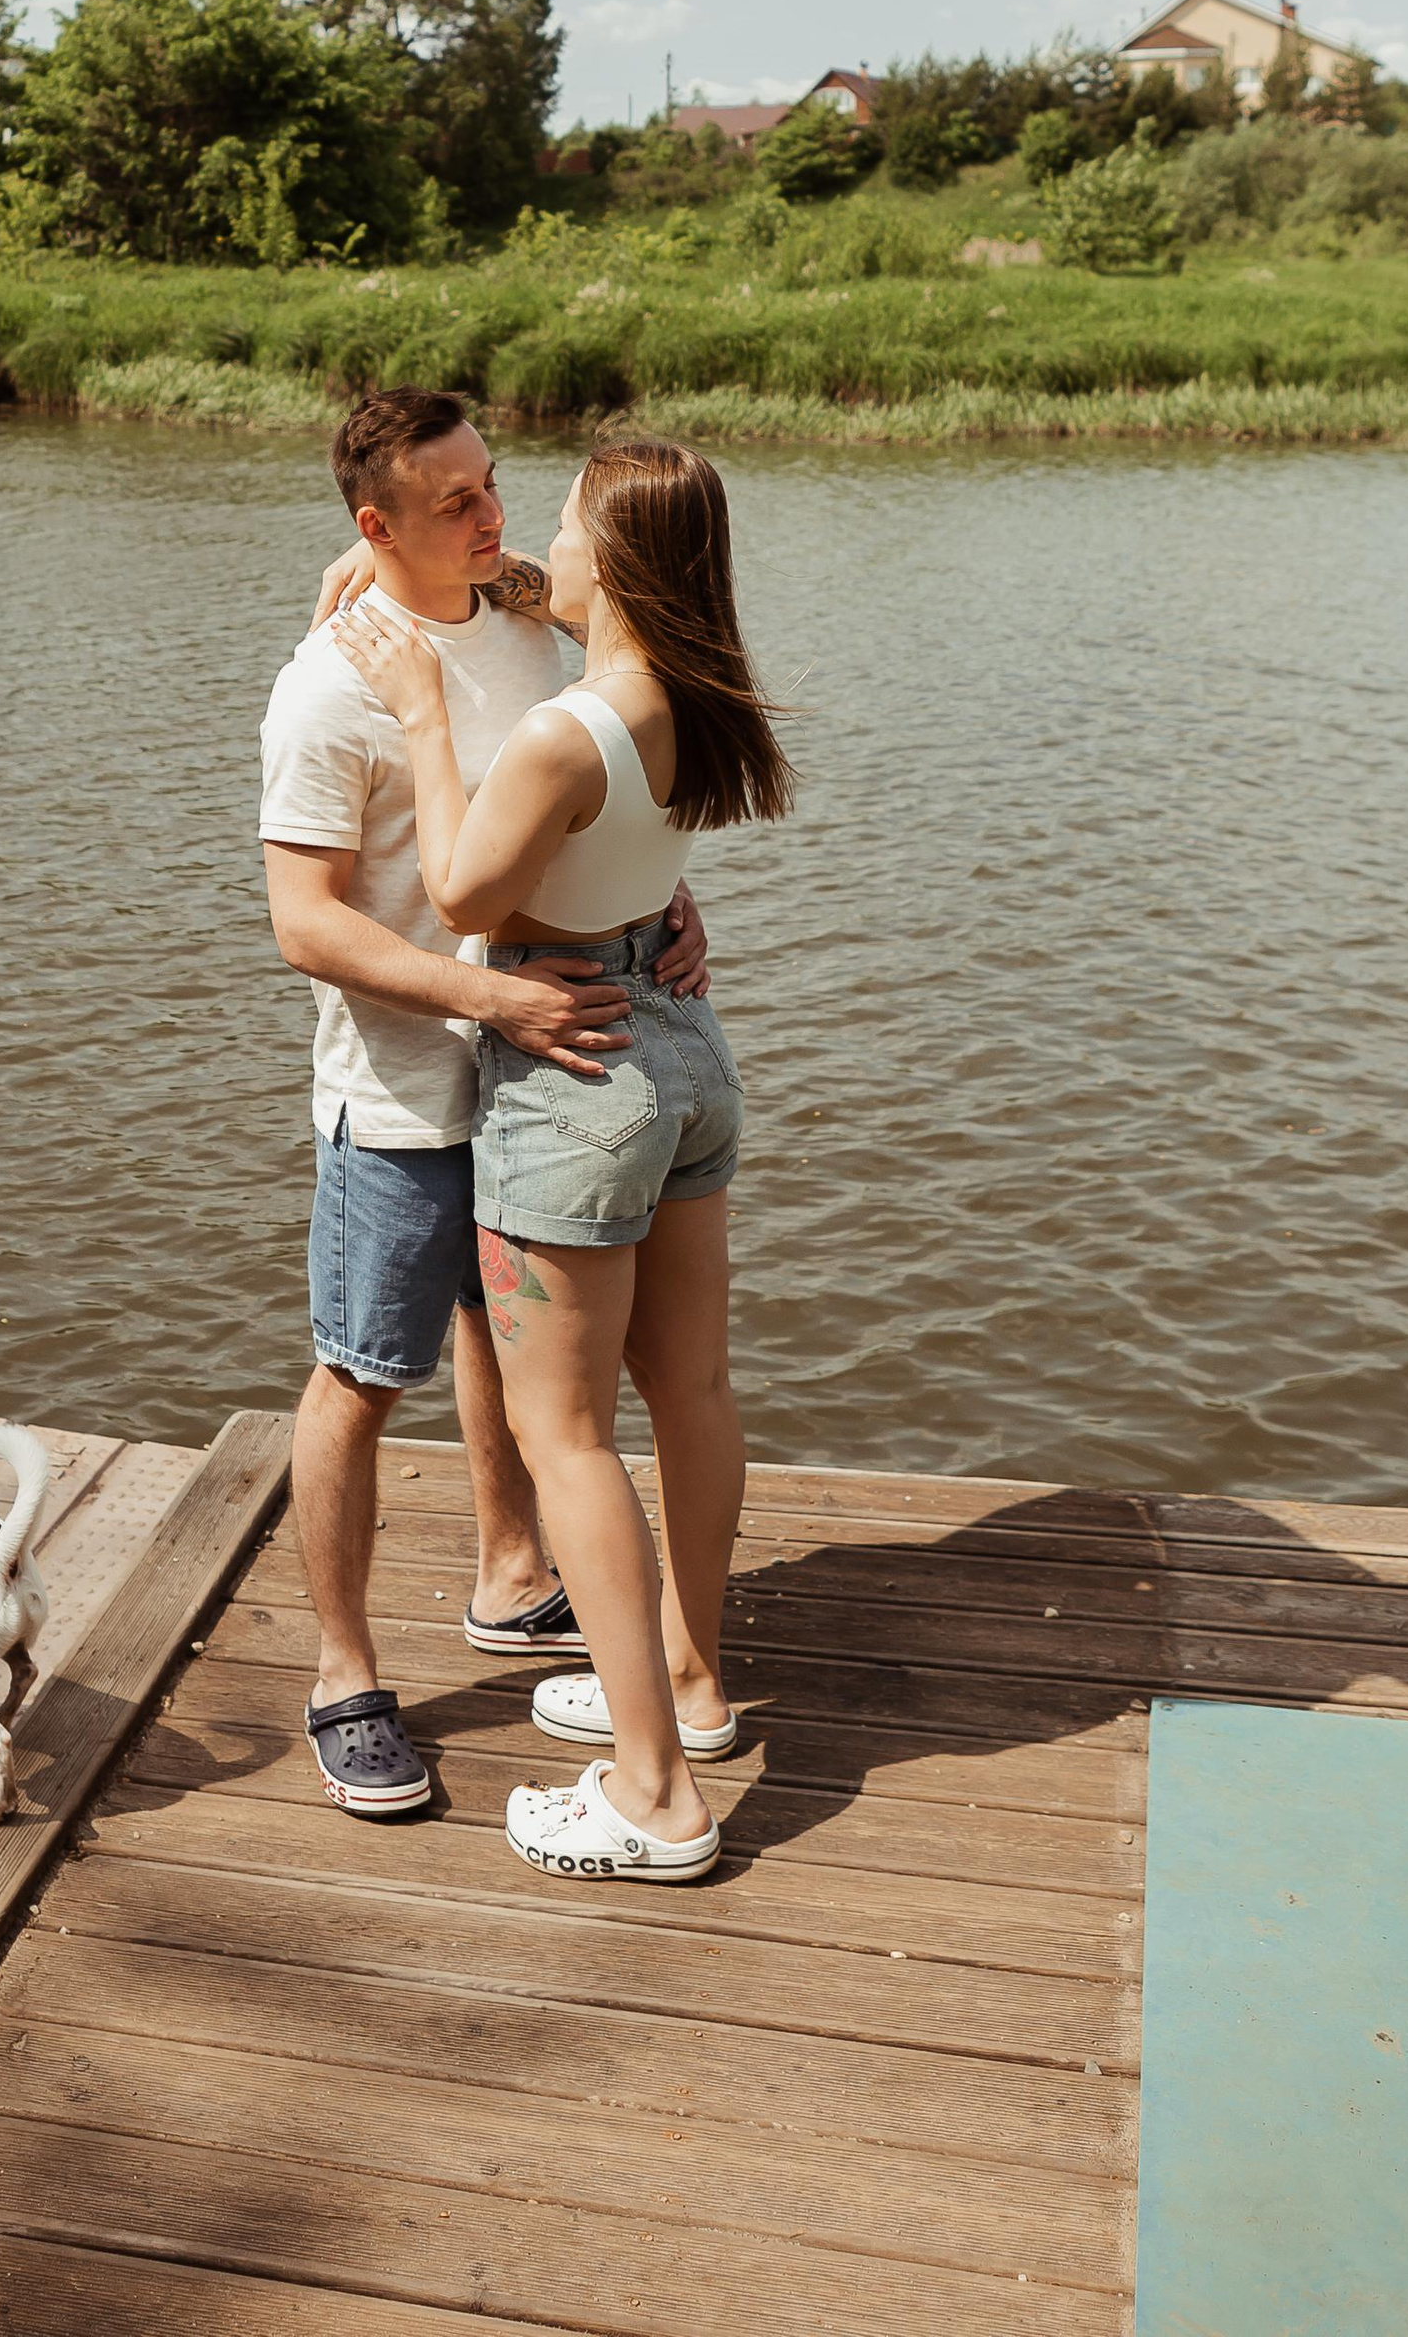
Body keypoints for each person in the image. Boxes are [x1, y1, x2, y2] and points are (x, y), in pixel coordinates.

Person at [335, 433, 792, 1884]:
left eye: (569, 525)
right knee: (695, 1391)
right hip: (683, 1050)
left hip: (573, 1070)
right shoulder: (702, 696)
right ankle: (694, 1691)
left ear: (622, 562)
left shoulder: (561, 734)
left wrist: (418, 705)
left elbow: (466, 891)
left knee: (569, 1435)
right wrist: (439, 574)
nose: (538, 538)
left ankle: (650, 1797)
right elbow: (554, 601)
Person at [260, 389, 714, 1821]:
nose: (494, 519)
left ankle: (512, 1575)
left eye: (494, 485)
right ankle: (343, 1675)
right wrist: (492, 998)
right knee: (359, 1369)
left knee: (492, 1332)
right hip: (409, 1088)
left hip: (552, 1083)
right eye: (452, 503)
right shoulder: (330, 684)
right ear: (373, 525)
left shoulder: (527, 611)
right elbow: (304, 925)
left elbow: (618, 754)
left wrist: (664, 896)